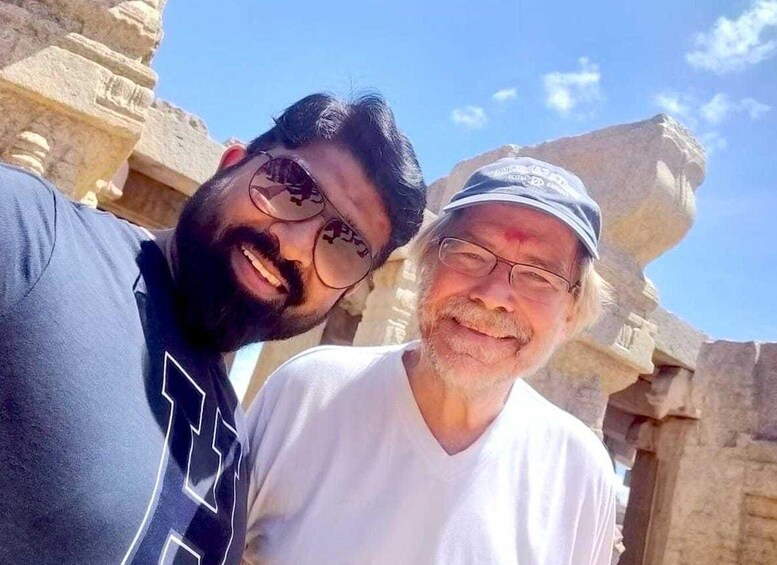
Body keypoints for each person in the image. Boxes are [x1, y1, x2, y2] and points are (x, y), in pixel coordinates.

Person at [0, 93, 426, 564]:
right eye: (292, 186)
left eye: (346, 247)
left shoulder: (235, 444)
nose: (295, 246)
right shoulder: (32, 237)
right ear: (229, 165)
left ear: (345, 294)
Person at [243, 157, 616, 564]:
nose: (492, 295)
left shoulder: (579, 471)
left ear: (570, 312)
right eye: (471, 254)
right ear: (426, 264)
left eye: (538, 276)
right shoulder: (309, 393)